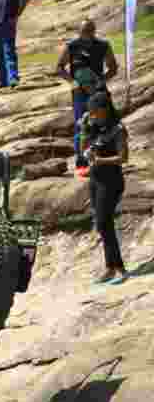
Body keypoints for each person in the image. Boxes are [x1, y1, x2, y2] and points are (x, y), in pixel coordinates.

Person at [56, 19, 118, 178]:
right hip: (80, 93)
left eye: (90, 32)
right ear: (79, 32)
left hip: (98, 92)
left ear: (94, 31)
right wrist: (73, 82)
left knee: (103, 123)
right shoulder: (72, 46)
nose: (87, 36)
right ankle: (81, 161)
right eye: (84, 33)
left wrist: (102, 80)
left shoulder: (103, 45)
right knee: (81, 126)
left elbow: (113, 67)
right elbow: (59, 67)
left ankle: (103, 159)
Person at [80, 91, 129, 286]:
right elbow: (84, 150)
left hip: (112, 181)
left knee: (103, 222)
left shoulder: (117, 129)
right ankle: (113, 267)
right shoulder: (93, 126)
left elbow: (124, 158)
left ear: (104, 110)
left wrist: (100, 160)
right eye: (90, 113)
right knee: (102, 224)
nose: (92, 115)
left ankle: (117, 269)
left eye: (94, 112)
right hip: (95, 179)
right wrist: (84, 133)